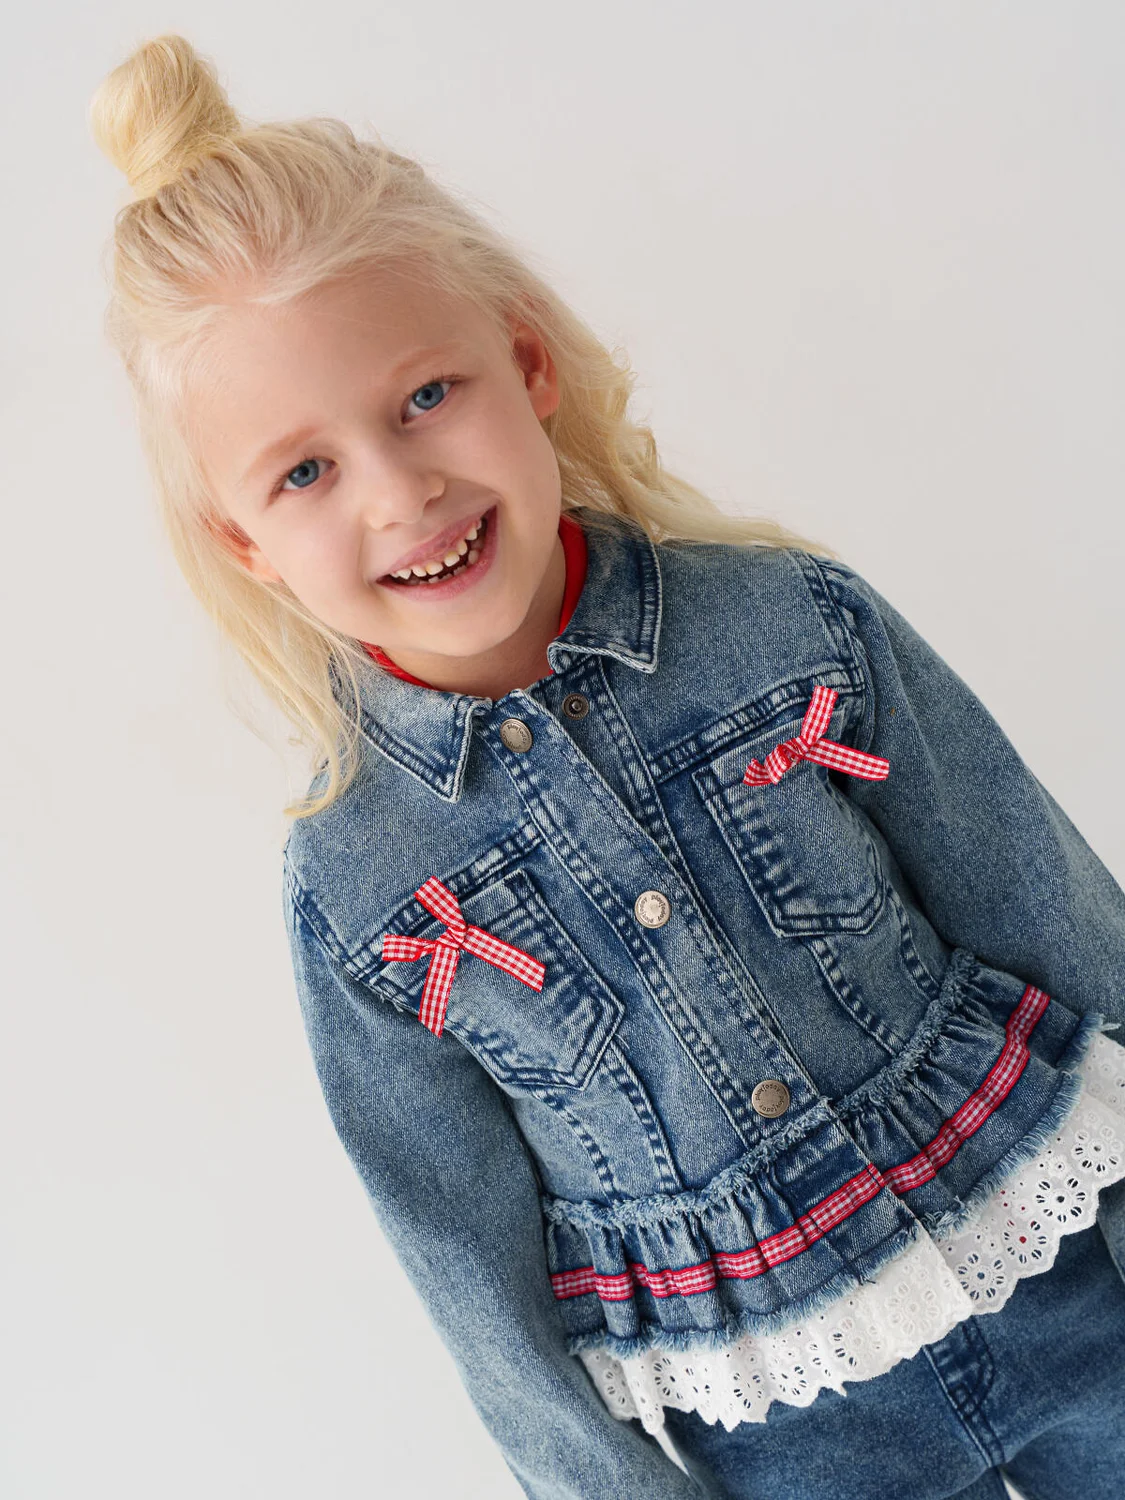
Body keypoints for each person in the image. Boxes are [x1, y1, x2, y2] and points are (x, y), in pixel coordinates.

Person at [88, 34, 1125, 1500]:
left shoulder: (790, 629)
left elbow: (1050, 913)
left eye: (426, 396)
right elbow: (469, 1263)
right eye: (304, 471)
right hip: (793, 1433)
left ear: (527, 366)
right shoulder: (359, 888)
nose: (401, 491)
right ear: (245, 542)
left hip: (1070, 1285)